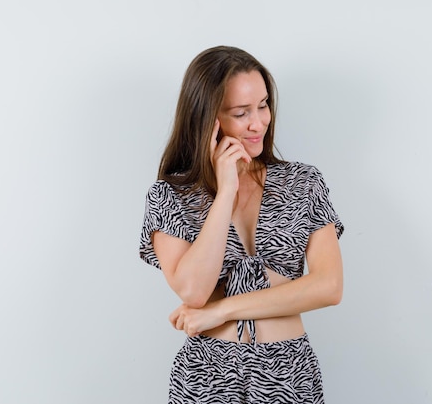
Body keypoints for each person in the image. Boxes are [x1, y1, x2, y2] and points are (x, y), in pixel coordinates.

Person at [139, 45, 344, 404]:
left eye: (263, 105)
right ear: (208, 119)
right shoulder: (169, 196)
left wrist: (223, 310)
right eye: (241, 112)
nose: (258, 122)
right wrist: (225, 193)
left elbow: (329, 286)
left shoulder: (303, 182)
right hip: (207, 374)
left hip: (288, 372)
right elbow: (194, 292)